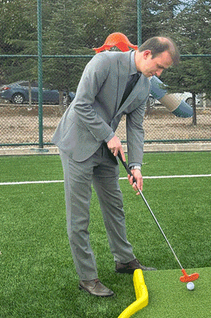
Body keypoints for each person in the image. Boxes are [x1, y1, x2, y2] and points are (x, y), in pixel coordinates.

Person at [52, 37, 179, 297]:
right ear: (146, 54)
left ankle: (124, 260)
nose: (159, 73)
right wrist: (109, 135)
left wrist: (136, 165)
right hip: (78, 143)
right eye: (159, 66)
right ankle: (87, 278)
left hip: (106, 150)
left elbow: (136, 126)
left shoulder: (144, 84)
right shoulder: (103, 63)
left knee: (115, 205)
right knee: (79, 216)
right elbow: (81, 105)